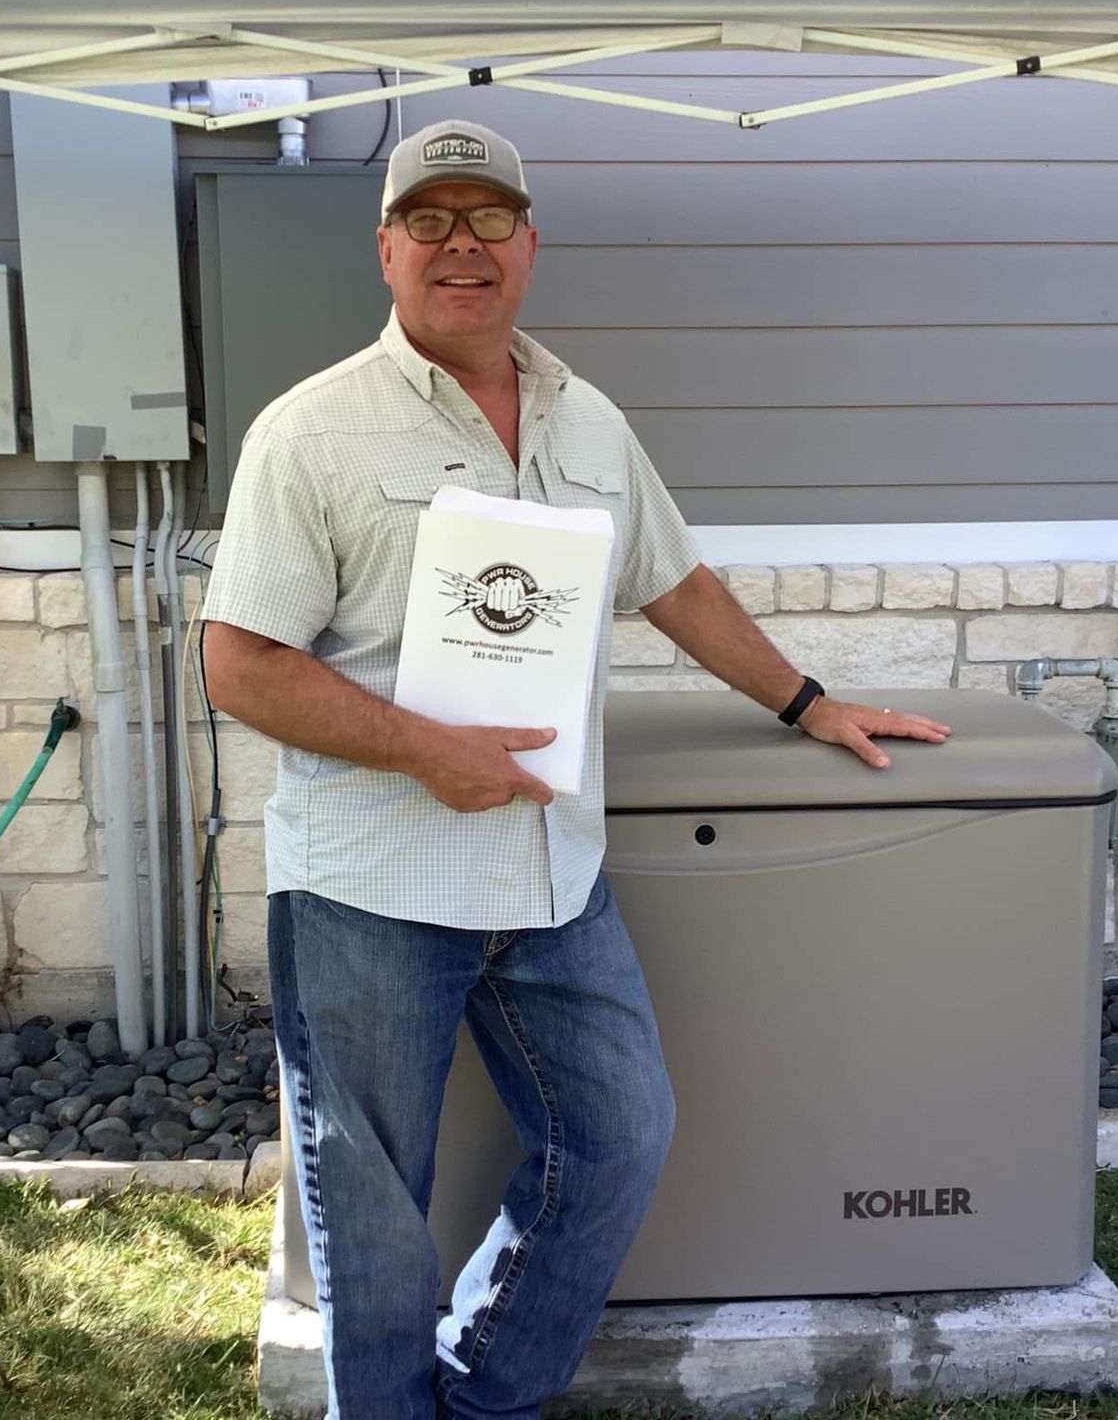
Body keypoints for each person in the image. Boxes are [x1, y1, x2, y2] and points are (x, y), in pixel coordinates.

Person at [201, 120, 950, 1419]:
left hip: (553, 879)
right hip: (375, 889)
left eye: (488, 218)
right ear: (385, 248)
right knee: (372, 1213)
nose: (461, 245)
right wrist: (424, 749)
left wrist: (808, 701)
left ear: (530, 245)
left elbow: (675, 579)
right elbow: (240, 663)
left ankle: (489, 1396)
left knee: (618, 1140)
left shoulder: (587, 419)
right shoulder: (310, 433)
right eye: (429, 219)